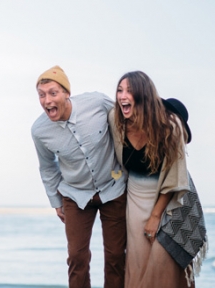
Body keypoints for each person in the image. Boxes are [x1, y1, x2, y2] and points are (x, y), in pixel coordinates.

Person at [31, 65, 127, 288]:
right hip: (75, 195)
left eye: (53, 93)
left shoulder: (96, 103)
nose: (47, 101)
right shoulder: (39, 131)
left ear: (66, 93)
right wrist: (56, 202)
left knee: (115, 256)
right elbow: (47, 167)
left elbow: (127, 120)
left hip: (112, 189)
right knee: (77, 258)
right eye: (41, 95)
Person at [109, 71, 202, 288]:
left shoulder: (170, 127)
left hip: (169, 200)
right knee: (138, 263)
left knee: (166, 261)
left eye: (129, 91)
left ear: (144, 95)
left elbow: (173, 176)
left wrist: (155, 216)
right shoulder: (116, 121)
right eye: (120, 90)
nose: (123, 96)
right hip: (135, 199)